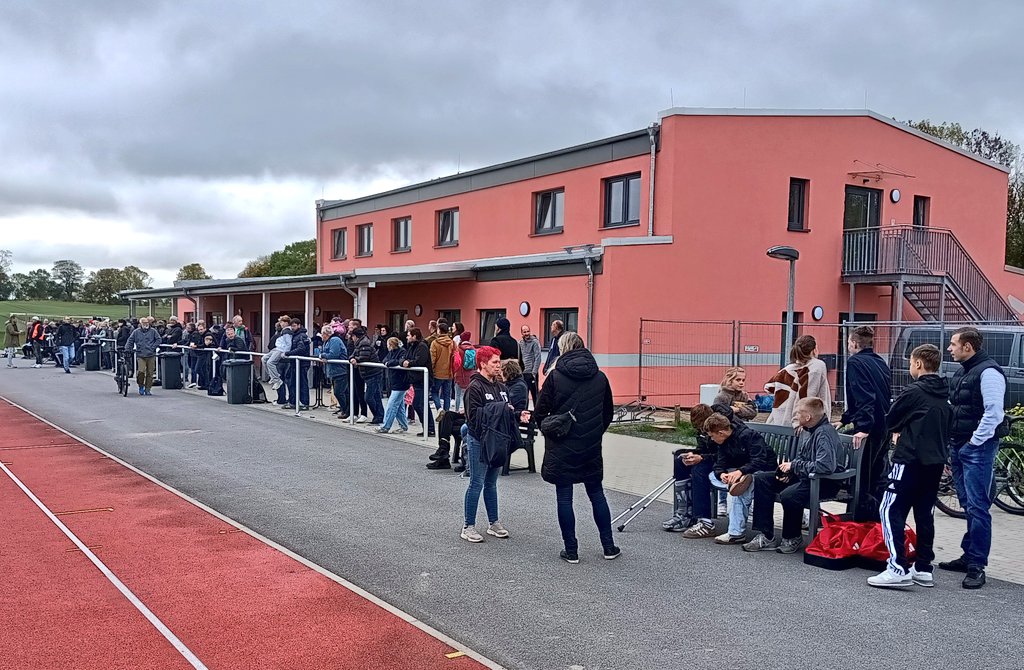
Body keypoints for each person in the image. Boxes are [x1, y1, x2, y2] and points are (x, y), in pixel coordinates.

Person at [868, 344, 950, 589]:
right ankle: (923, 567)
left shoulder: (913, 391)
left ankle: (897, 567)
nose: (910, 367)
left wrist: (899, 429)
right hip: (935, 461)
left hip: (909, 459)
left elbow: (891, 418)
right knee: (924, 512)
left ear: (918, 364)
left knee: (889, 508)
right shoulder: (945, 392)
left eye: (911, 363)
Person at [532, 332, 619, 563]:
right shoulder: (600, 377)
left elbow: (540, 412)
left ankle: (571, 550)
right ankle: (609, 546)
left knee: (564, 497)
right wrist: (594, 433)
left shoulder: (555, 377)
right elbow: (608, 413)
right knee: (597, 494)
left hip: (562, 444)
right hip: (591, 445)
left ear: (563, 349)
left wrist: (552, 431)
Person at [939, 327, 1007, 589]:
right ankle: (969, 556)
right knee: (970, 504)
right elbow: (955, 406)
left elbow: (994, 413)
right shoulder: (964, 371)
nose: (949, 348)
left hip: (976, 447)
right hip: (960, 444)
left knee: (978, 507)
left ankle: (977, 565)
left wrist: (973, 443)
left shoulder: (988, 373)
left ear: (968, 347)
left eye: (953, 344)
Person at [743, 397, 842, 553]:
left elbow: (825, 466)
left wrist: (795, 466)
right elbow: (804, 459)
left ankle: (792, 537)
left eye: (798, 413)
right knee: (763, 479)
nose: (795, 416)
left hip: (824, 482)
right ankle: (766, 536)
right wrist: (790, 471)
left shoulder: (824, 434)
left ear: (808, 417)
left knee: (789, 495)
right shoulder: (810, 430)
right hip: (807, 476)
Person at [685, 408, 774, 542]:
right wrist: (722, 474)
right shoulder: (723, 442)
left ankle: (736, 533)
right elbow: (719, 464)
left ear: (720, 433)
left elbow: (760, 460)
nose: (711, 439)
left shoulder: (749, 436)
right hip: (740, 471)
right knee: (712, 475)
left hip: (762, 472)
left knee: (742, 490)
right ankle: (735, 484)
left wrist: (741, 471)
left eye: (712, 436)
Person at [460, 345, 515, 544]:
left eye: (499, 362)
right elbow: (474, 418)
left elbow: (507, 410)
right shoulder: (474, 388)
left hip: (497, 441)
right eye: (494, 362)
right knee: (477, 483)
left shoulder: (501, 388)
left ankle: (494, 523)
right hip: (479, 441)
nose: (498, 366)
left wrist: (517, 414)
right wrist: (500, 408)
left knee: (491, 483)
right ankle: (468, 526)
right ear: (483, 364)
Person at [836, 325, 892, 521]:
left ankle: (861, 521)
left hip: (871, 428)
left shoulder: (855, 363)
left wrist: (863, 427)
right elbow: (880, 394)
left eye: (848, 342)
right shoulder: (879, 361)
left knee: (863, 477)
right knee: (878, 475)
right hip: (884, 424)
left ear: (853, 343)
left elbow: (863, 395)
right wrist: (845, 419)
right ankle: (878, 519)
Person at [661, 404, 718, 532]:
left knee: (699, 469)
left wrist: (701, 457)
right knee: (680, 461)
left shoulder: (718, 427)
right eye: (698, 428)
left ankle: (703, 518)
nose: (701, 430)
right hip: (709, 459)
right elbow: (703, 449)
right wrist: (692, 454)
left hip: (722, 463)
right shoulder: (702, 430)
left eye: (702, 427)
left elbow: (723, 454)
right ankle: (684, 512)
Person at [764, 335, 832, 427]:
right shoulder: (816, 367)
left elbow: (769, 387)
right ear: (814, 350)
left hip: (778, 421)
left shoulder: (787, 370)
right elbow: (807, 395)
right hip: (803, 423)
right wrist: (798, 422)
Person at [402, 327, 435, 437]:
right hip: (416, 379)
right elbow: (404, 357)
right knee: (421, 404)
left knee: (419, 404)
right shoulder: (411, 346)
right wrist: (404, 362)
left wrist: (409, 363)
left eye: (408, 335)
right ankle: (428, 428)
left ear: (414, 336)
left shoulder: (422, 346)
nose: (407, 337)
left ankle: (429, 428)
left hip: (423, 380)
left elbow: (420, 361)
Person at [349, 326, 385, 423]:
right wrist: (352, 358)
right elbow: (352, 355)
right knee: (376, 396)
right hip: (369, 373)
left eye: (352, 336)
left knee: (369, 397)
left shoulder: (364, 343)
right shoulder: (359, 343)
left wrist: (356, 359)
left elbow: (364, 357)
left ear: (355, 336)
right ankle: (379, 416)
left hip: (373, 373)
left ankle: (378, 415)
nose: (352, 339)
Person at [380, 337, 410, 434]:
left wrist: (389, 363)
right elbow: (385, 359)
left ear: (391, 345)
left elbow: (399, 361)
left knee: (391, 404)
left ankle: (385, 426)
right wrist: (388, 362)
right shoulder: (391, 352)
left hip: (401, 383)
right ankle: (403, 425)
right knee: (399, 406)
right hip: (394, 382)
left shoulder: (402, 352)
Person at [125, 317, 161, 395]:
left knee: (150, 373)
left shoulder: (153, 331)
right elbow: (130, 340)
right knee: (141, 371)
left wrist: (153, 347)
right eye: (144, 323)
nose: (146, 324)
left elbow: (158, 339)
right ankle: (141, 385)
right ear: (140, 324)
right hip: (140, 354)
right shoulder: (136, 332)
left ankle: (148, 389)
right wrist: (127, 349)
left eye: (147, 322)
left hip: (151, 355)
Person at [322, 324, 350, 420]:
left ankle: (346, 410)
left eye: (322, 334)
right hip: (333, 370)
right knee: (342, 392)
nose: (322, 336)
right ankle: (346, 410)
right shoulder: (327, 342)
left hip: (340, 370)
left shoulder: (335, 340)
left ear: (326, 334)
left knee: (339, 392)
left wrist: (323, 355)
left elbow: (334, 354)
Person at [282, 318, 311, 410]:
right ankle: (293, 402)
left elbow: (301, 349)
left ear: (299, 325)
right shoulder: (296, 335)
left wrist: (288, 353)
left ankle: (304, 403)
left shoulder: (301, 336)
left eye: (294, 326)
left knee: (302, 383)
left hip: (302, 363)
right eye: (292, 326)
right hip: (295, 363)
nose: (293, 328)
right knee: (292, 382)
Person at [431, 322, 455, 414]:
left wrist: (431, 370)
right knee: (447, 395)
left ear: (439, 331)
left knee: (434, 392)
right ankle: (447, 414)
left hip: (438, 373)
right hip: (449, 373)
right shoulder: (452, 343)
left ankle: (439, 409)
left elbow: (432, 359)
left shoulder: (435, 343)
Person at [453, 331, 476, 413]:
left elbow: (456, 363)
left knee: (457, 395)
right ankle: (466, 411)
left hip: (459, 374)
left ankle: (456, 411)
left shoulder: (458, 349)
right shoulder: (473, 349)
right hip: (470, 375)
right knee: (467, 395)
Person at [519, 324, 542, 405]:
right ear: (522, 333)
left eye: (528, 331)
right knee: (524, 395)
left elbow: (538, 358)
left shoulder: (535, 342)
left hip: (531, 373)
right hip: (523, 373)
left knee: (535, 395)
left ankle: (537, 411)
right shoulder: (520, 343)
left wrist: (534, 373)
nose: (526, 333)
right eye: (524, 332)